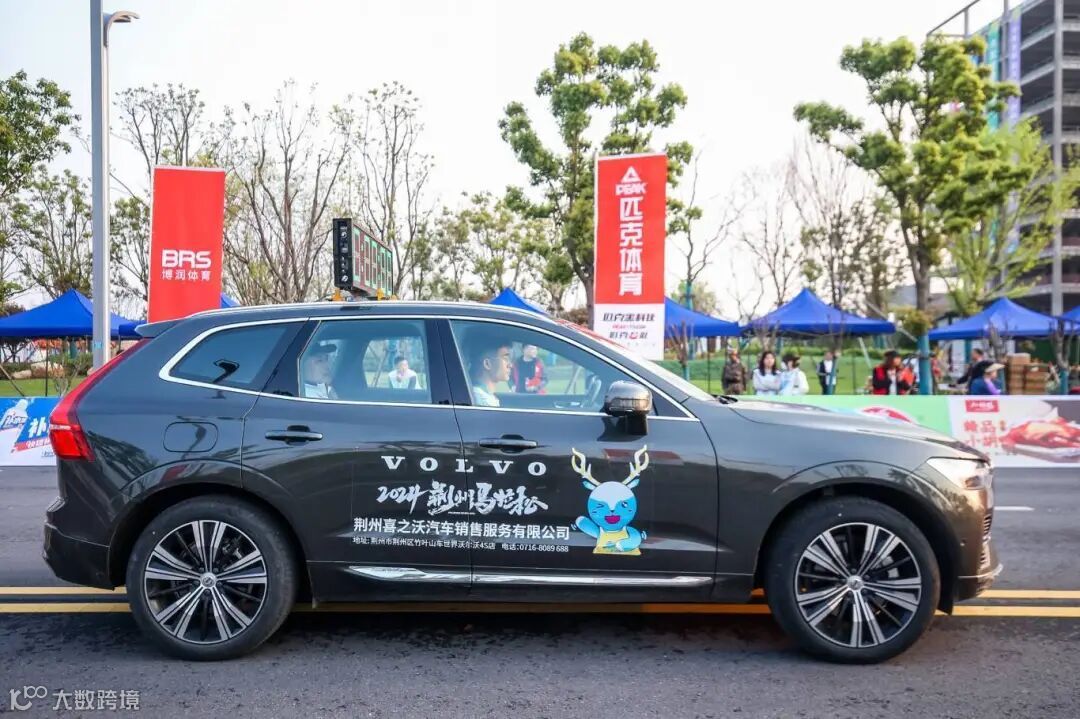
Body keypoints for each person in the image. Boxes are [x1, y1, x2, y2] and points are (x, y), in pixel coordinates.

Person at [468, 335, 513, 407]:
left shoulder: (486, 396)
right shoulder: (481, 400)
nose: (510, 365)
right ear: (487, 364)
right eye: (506, 358)